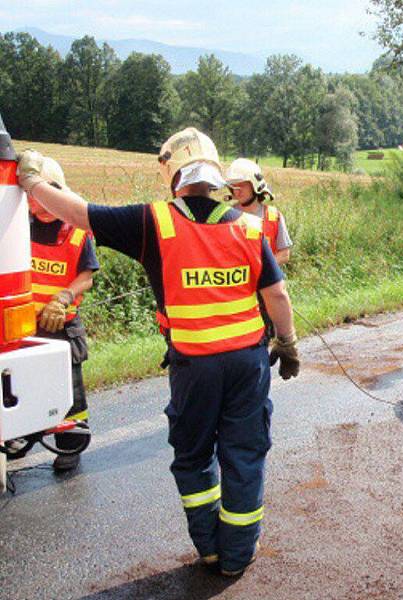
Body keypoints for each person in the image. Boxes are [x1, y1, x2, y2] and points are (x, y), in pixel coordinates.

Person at [16, 127, 300, 576]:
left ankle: (209, 547)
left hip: (193, 369)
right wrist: (287, 342)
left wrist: (32, 183)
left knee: (193, 456)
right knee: (244, 454)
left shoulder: (153, 221)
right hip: (248, 363)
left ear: (173, 175)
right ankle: (238, 555)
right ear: (215, 174)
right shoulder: (248, 227)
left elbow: (81, 214)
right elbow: (278, 296)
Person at [28, 156, 99, 471]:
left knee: (69, 387)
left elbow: (88, 275)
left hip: (62, 325)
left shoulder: (79, 231)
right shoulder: (17, 224)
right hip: (21, 327)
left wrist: (64, 296)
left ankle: (70, 445)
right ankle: (21, 437)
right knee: (20, 385)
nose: (36, 205)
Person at [225, 158, 293, 266]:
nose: (237, 191)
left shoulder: (274, 216)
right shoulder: (226, 216)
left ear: (255, 185)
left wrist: (264, 270)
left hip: (265, 281)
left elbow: (284, 254)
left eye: (241, 186)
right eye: (233, 187)